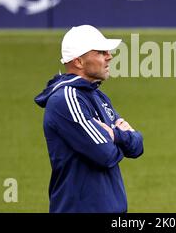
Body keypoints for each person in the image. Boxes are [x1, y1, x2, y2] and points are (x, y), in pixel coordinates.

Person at [34, 25, 144, 213]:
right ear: (78, 61)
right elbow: (105, 155)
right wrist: (120, 137)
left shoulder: (98, 96)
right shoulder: (66, 100)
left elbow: (137, 147)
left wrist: (114, 135)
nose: (109, 56)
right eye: (101, 52)